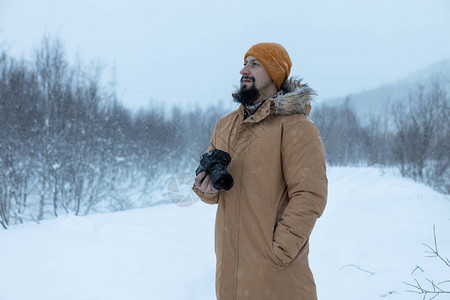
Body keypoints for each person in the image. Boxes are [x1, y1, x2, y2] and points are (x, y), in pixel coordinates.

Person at [193, 42, 328, 300]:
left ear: (274, 73)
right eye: (245, 63)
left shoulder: (297, 127)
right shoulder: (225, 125)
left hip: (276, 274)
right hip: (230, 271)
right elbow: (214, 191)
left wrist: (279, 251)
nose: (244, 69)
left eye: (255, 64)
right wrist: (204, 188)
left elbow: (310, 195)